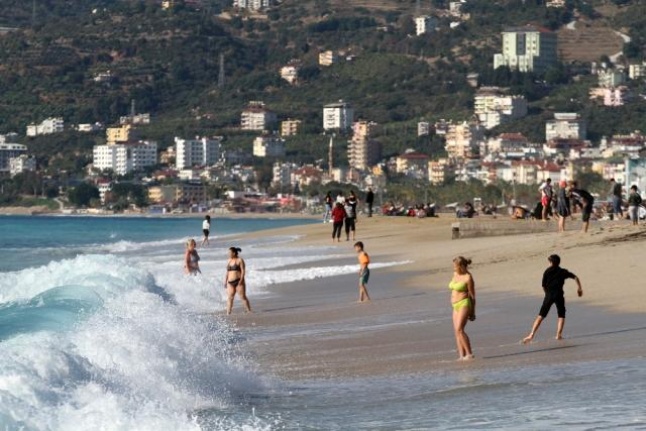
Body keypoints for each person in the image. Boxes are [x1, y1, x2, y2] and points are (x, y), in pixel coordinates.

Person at [522, 254, 583, 343]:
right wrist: (579, 289)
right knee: (561, 315)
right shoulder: (563, 271)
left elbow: (543, 285)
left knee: (541, 316)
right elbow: (575, 277)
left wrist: (547, 294)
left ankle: (531, 335)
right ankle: (558, 335)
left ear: (550, 262)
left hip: (549, 295)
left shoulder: (547, 271)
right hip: (559, 295)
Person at [448, 256, 476, 360]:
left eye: (455, 267)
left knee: (460, 329)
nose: (454, 269)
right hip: (455, 305)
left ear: (462, 266)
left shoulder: (468, 278)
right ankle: (461, 356)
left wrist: (473, 312)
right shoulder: (455, 274)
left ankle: (469, 354)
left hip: (464, 303)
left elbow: (473, 296)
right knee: (456, 331)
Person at [224, 247, 252, 315]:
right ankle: (228, 312)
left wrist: (241, 280)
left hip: (239, 281)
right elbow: (227, 272)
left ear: (233, 253)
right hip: (230, 282)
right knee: (230, 297)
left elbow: (243, 271)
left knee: (243, 297)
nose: (228, 254)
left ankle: (249, 311)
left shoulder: (240, 260)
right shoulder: (229, 260)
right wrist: (225, 281)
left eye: (229, 252)